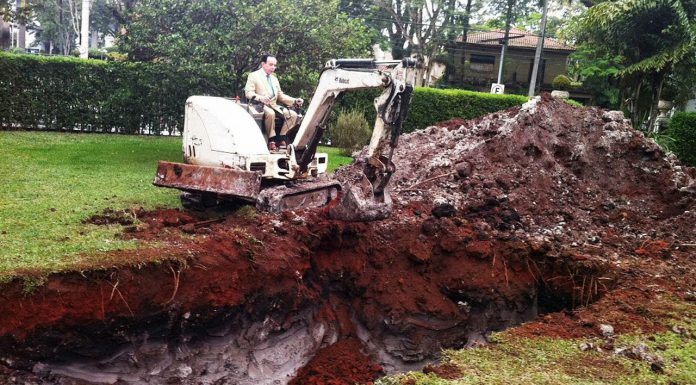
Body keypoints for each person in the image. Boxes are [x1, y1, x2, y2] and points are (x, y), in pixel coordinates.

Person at [244, 54, 304, 151]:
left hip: (273, 105)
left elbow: (280, 95)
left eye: (275, 65)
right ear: (263, 64)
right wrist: (261, 98)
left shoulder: (274, 79)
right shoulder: (254, 76)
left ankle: (281, 138)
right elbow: (248, 93)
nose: (273, 67)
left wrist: (294, 100)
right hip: (259, 105)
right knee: (270, 113)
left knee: (293, 114)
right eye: (271, 64)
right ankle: (271, 140)